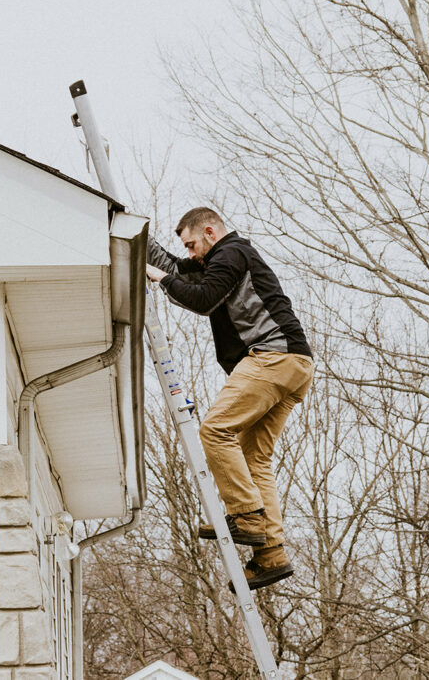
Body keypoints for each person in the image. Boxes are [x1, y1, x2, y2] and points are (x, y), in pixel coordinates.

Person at [146, 206, 313, 590]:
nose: (190, 253)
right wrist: (138, 243)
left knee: (216, 429)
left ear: (210, 231)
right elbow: (175, 268)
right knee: (255, 458)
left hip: (273, 357)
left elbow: (201, 299)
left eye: (192, 244)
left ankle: (247, 516)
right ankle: (271, 554)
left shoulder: (231, 253)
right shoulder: (215, 259)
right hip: (292, 364)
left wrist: (161, 279)